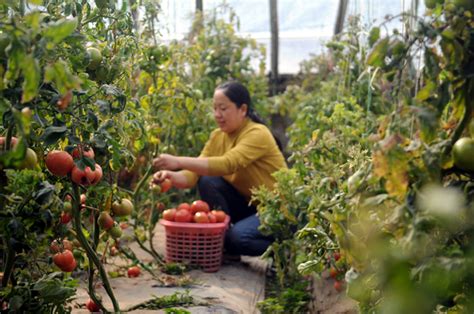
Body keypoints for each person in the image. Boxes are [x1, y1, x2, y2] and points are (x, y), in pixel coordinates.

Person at [152, 80, 287, 258]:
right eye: (215, 108)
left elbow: (227, 164)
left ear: (243, 109)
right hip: (252, 207)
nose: (217, 114)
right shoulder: (217, 137)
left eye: (223, 108)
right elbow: (193, 175)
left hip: (278, 209)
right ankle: (225, 243)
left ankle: (284, 248)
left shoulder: (257, 133)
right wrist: (169, 176)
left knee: (238, 239)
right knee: (208, 180)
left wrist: (178, 161)